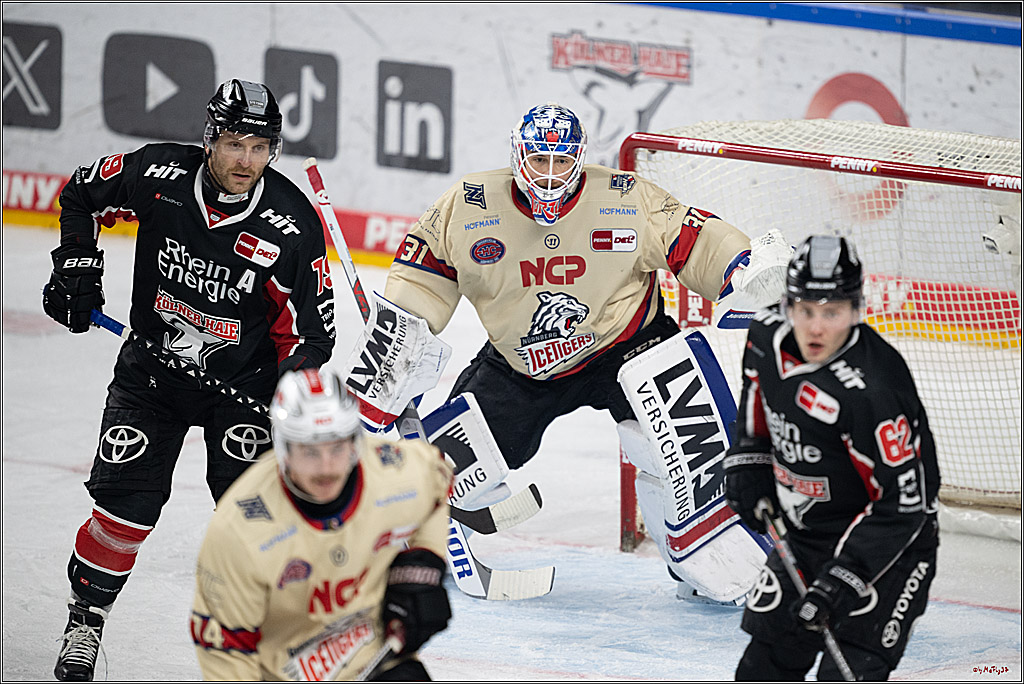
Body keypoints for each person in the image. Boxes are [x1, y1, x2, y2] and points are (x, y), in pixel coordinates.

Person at [343, 102, 793, 601]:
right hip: (521, 366)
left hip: (630, 347)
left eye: (562, 162)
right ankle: (412, 539)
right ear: (519, 156)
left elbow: (696, 239)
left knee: (681, 456)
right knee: (446, 467)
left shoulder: (624, 197)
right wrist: (393, 359)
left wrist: (743, 270)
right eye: (539, 161)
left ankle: (706, 557)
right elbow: (418, 294)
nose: (551, 175)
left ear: (579, 158)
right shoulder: (467, 206)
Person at [44, 79, 336, 681]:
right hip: (151, 377)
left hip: (244, 390)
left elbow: (310, 333)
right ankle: (86, 621)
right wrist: (77, 261)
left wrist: (291, 396)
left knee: (256, 518)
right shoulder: (158, 175)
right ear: (209, 139)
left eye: (260, 147)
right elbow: (81, 193)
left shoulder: (292, 224)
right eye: (233, 143)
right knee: (125, 510)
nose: (245, 161)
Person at [724, 235, 941, 680]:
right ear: (788, 304)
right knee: (762, 668)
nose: (817, 328)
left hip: (889, 553)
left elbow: (904, 507)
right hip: (807, 535)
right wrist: (748, 458)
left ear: (856, 308)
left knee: (846, 675)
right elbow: (755, 397)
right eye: (806, 310)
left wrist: (844, 577)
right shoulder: (765, 334)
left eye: (833, 313)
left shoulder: (874, 388)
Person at [190, 367, 453, 681]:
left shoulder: (392, 474)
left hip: (373, 657)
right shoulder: (239, 531)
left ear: (355, 443)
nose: (327, 468)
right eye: (310, 451)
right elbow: (226, 654)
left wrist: (423, 563)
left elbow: (438, 485)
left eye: (337, 447)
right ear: (284, 449)